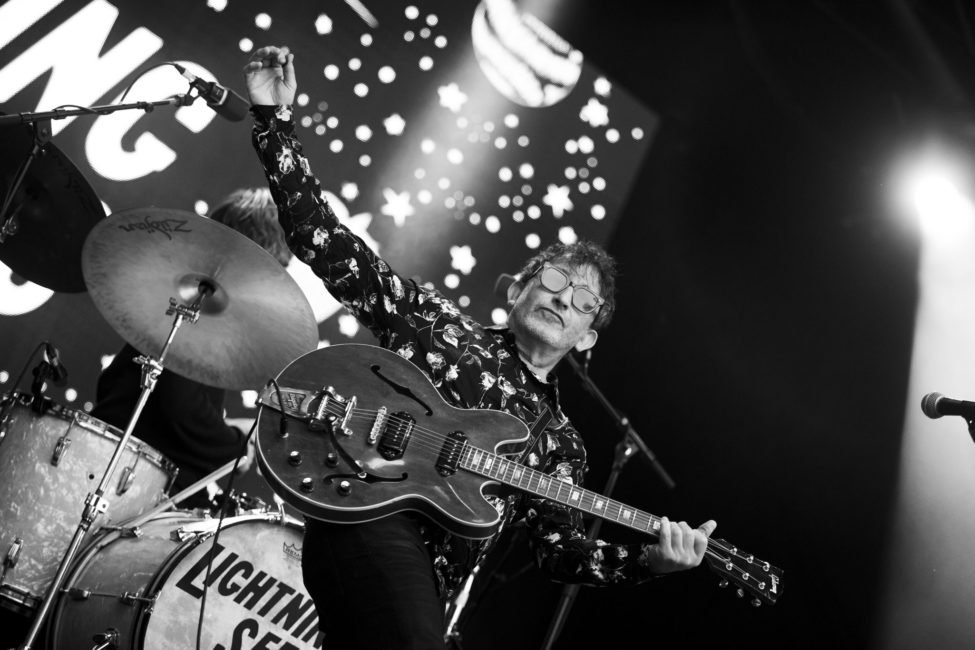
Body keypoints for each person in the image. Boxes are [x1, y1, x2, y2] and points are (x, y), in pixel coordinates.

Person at [244, 45, 717, 649]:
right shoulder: (438, 326)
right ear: (519, 289)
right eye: (552, 279)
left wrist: (649, 562)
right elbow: (326, 240)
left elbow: (562, 554)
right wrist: (274, 121)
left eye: (583, 300)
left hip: (428, 587)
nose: (563, 298)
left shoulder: (560, 444)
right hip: (364, 508)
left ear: (588, 335)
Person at [91, 188, 291, 509]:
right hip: (127, 476)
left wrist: (225, 434)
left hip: (109, 460)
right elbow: (178, 405)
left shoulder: (184, 296)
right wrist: (234, 446)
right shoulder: (202, 306)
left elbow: (151, 393)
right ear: (258, 259)